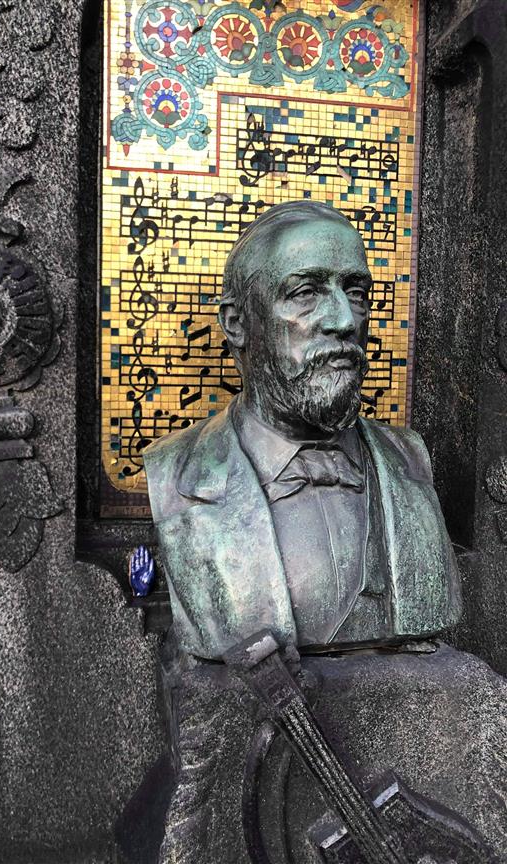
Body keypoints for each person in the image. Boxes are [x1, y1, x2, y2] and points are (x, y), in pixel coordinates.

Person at [143, 201, 461, 660]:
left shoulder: (409, 459)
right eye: (306, 293)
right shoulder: (177, 473)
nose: (344, 321)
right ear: (237, 324)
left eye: (356, 293)